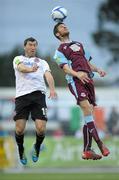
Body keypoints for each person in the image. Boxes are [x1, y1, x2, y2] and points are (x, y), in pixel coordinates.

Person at [52, 23, 110, 160]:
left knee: (89, 112)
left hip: (89, 80)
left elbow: (87, 62)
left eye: (65, 25)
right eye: (61, 27)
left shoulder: (79, 44)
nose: (65, 27)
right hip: (76, 81)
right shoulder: (59, 50)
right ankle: (100, 144)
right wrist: (77, 75)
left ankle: (87, 150)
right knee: (85, 108)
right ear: (57, 34)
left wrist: (98, 69)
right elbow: (65, 68)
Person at [13, 37, 57, 165]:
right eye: (30, 44)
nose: (33, 47)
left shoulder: (42, 62)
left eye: (35, 45)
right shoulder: (18, 59)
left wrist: (52, 89)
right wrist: (30, 69)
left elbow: (48, 75)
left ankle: (37, 147)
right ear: (24, 46)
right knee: (20, 129)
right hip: (22, 96)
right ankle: (21, 150)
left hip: (39, 96)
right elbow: (20, 68)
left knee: (41, 129)